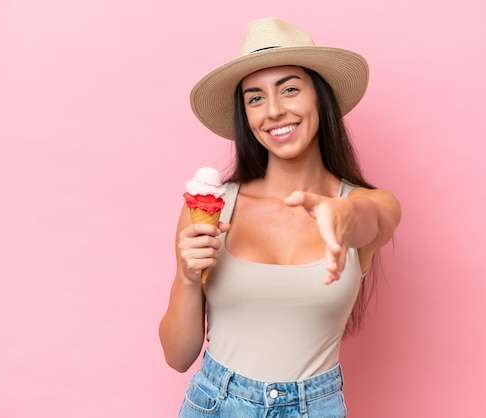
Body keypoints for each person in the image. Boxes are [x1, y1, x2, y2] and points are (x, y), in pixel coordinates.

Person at [159, 17, 401, 417]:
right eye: (255, 98)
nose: (273, 111)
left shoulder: (363, 204)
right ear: (246, 116)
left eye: (289, 89)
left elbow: (377, 219)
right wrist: (187, 277)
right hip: (215, 403)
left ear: (319, 98)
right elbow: (178, 356)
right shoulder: (213, 209)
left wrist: (341, 214)